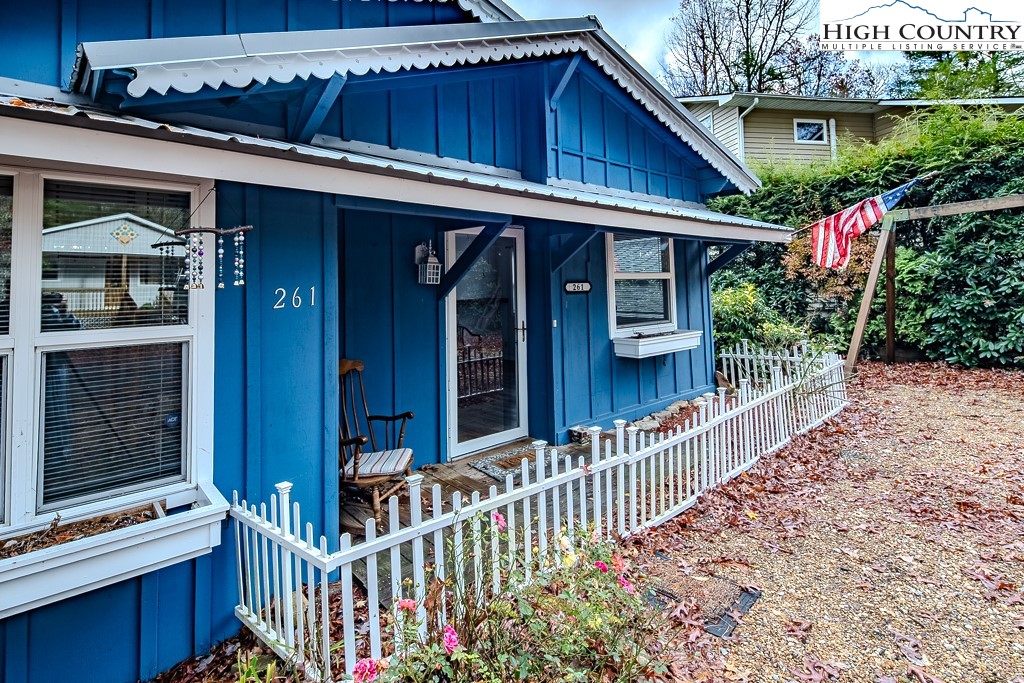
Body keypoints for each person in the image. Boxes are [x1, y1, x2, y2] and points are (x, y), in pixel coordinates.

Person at [41, 292, 83, 472]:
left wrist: (65, 311)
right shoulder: (10, 309)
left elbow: (78, 332)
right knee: (51, 413)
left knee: (59, 414)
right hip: (46, 369)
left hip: (56, 368)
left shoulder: (53, 312)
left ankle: (59, 453)